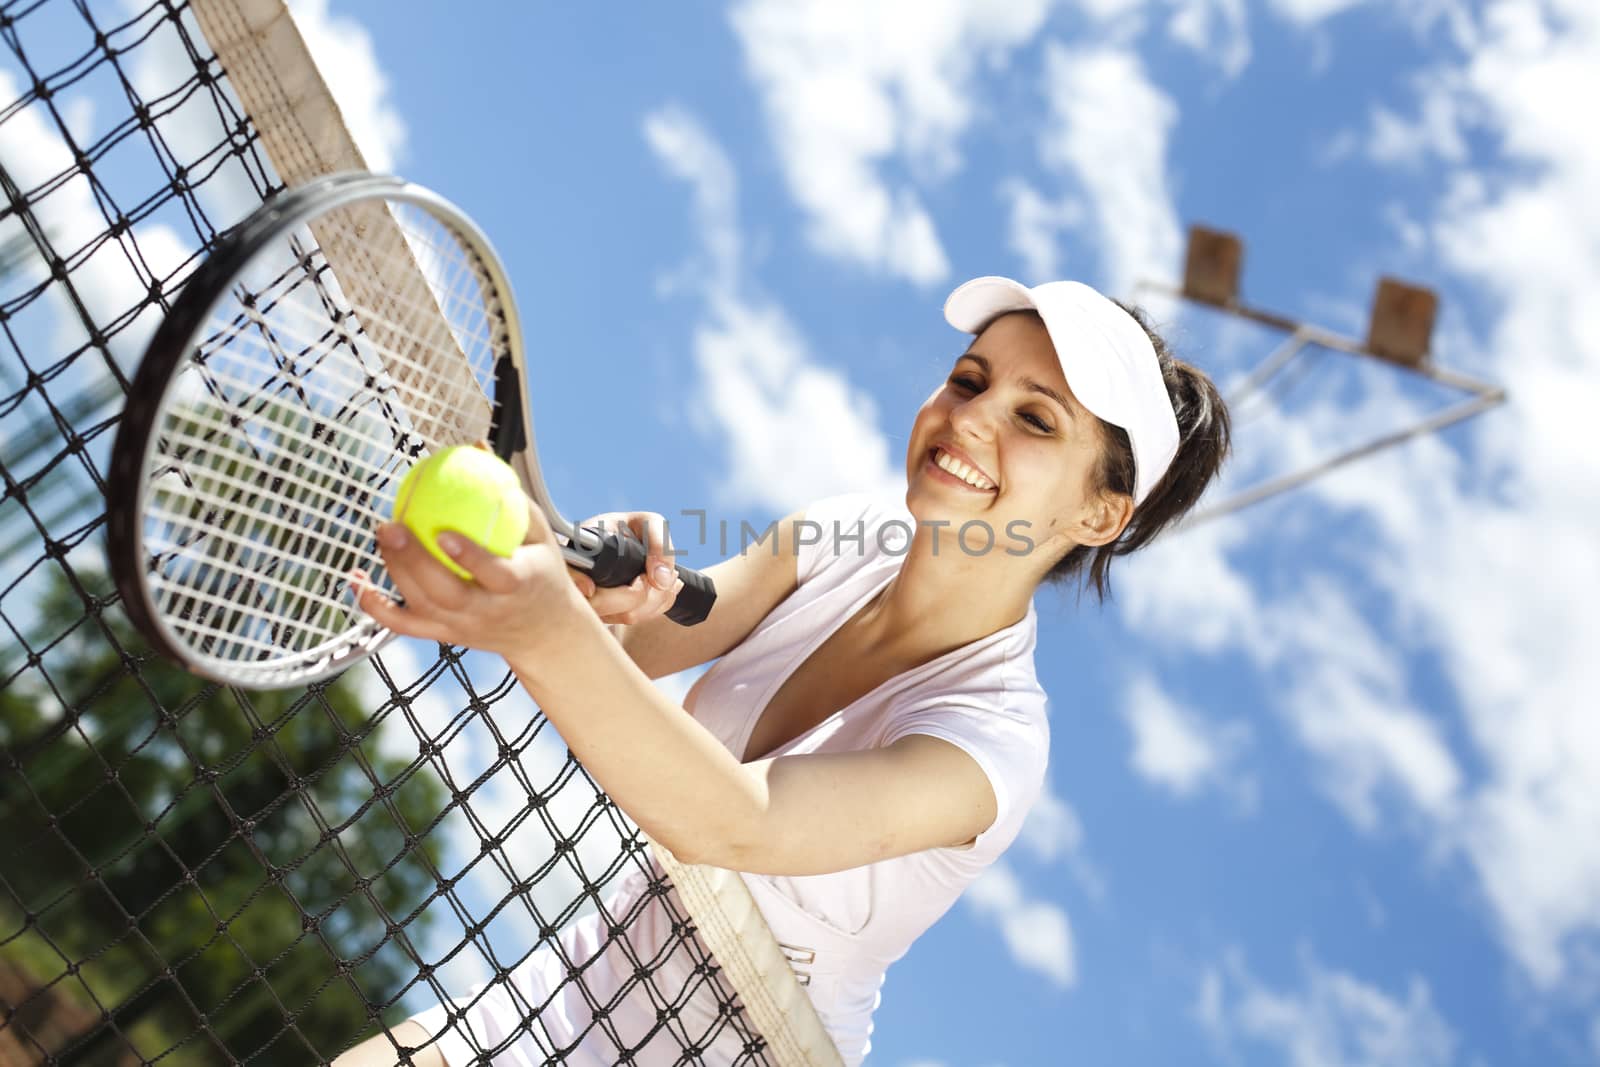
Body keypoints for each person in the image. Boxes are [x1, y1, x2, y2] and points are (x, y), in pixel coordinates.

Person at [334, 275, 1231, 1066]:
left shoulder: (994, 741)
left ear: (1101, 514)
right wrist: (585, 582)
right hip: (570, 991)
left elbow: (734, 821)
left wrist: (548, 632)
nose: (970, 416)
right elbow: (631, 647)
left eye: (1037, 419)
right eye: (969, 378)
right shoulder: (835, 537)